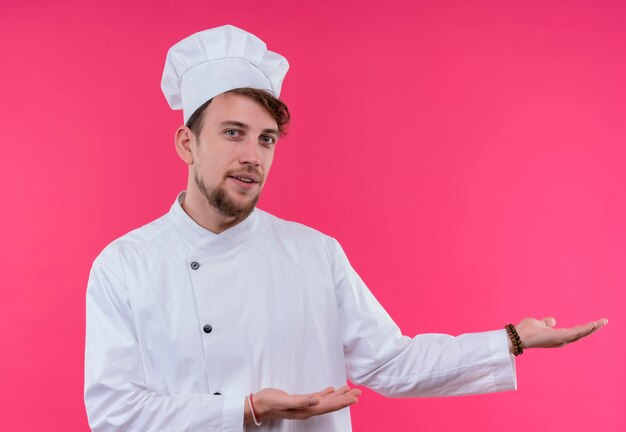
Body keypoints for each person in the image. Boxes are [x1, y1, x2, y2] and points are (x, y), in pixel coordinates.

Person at [83, 25, 608, 431]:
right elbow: (113, 413)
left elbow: (393, 364)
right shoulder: (125, 265)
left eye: (267, 139)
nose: (252, 156)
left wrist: (514, 339)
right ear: (187, 143)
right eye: (233, 133)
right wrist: (243, 410)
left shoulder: (314, 255)